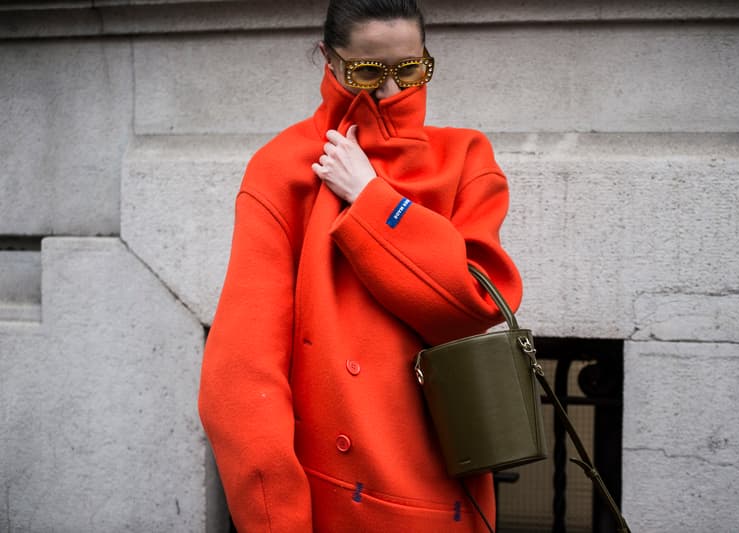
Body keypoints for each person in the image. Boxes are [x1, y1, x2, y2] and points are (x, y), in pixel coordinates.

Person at [198, 1, 523, 531]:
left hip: (448, 499)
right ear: (329, 61)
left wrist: (372, 198)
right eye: (368, 72)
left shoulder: (465, 158)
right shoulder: (283, 170)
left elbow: (473, 304)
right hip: (333, 502)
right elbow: (241, 378)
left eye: (411, 70)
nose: (392, 92)